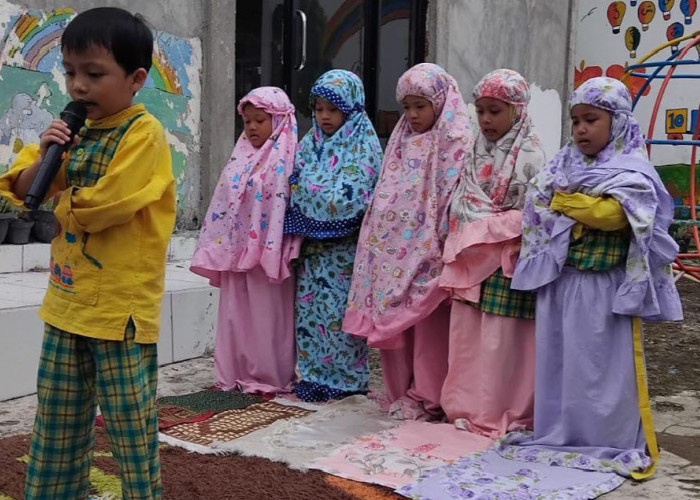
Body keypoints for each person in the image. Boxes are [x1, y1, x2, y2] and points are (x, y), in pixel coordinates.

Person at [0, 8, 175, 499]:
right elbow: (23, 189)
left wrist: (62, 199)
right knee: (57, 421)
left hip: (119, 310)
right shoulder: (70, 132)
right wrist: (46, 152)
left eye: (94, 74)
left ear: (136, 78)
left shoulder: (144, 135)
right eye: (70, 72)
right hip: (66, 302)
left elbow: (110, 203)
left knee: (128, 426)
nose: (78, 86)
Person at [507, 76, 682, 478]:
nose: (581, 129)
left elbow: (615, 215)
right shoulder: (563, 163)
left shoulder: (633, 169)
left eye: (591, 119)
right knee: (562, 361)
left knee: (601, 367)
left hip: (604, 287)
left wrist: (569, 203)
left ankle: (609, 435)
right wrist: (580, 207)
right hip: (562, 282)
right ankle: (564, 430)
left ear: (617, 122)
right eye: (575, 121)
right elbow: (538, 201)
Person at [343, 63, 473, 420]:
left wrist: (442, 241)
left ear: (440, 102)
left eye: (421, 106)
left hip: (430, 250)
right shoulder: (401, 138)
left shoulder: (454, 139)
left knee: (428, 325)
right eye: (407, 107)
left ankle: (430, 396)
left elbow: (451, 194)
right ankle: (402, 390)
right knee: (397, 321)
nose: (413, 115)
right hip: (392, 250)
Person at [439, 69, 546, 437]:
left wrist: (487, 230)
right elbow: (462, 199)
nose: (485, 120)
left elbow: (534, 214)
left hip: (506, 265)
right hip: (470, 261)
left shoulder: (531, 156)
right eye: (480, 110)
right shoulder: (473, 151)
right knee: (468, 339)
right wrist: (476, 230)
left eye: (495, 111)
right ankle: (464, 407)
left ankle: (501, 410)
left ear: (517, 110)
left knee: (502, 342)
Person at [190, 87, 299, 394]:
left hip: (269, 253)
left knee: (267, 315)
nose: (251, 127)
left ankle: (269, 377)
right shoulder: (240, 157)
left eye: (260, 120)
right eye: (247, 121)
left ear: (278, 120)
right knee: (235, 315)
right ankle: (232, 373)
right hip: (235, 251)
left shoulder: (288, 158)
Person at [283, 69, 382, 403]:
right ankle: (312, 376)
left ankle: (346, 380)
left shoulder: (364, 145)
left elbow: (352, 193)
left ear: (351, 109)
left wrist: (312, 192)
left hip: (345, 251)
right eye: (319, 108)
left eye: (333, 109)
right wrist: (313, 191)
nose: (324, 117)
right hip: (312, 252)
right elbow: (294, 184)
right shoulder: (309, 143)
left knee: (339, 314)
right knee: (311, 313)